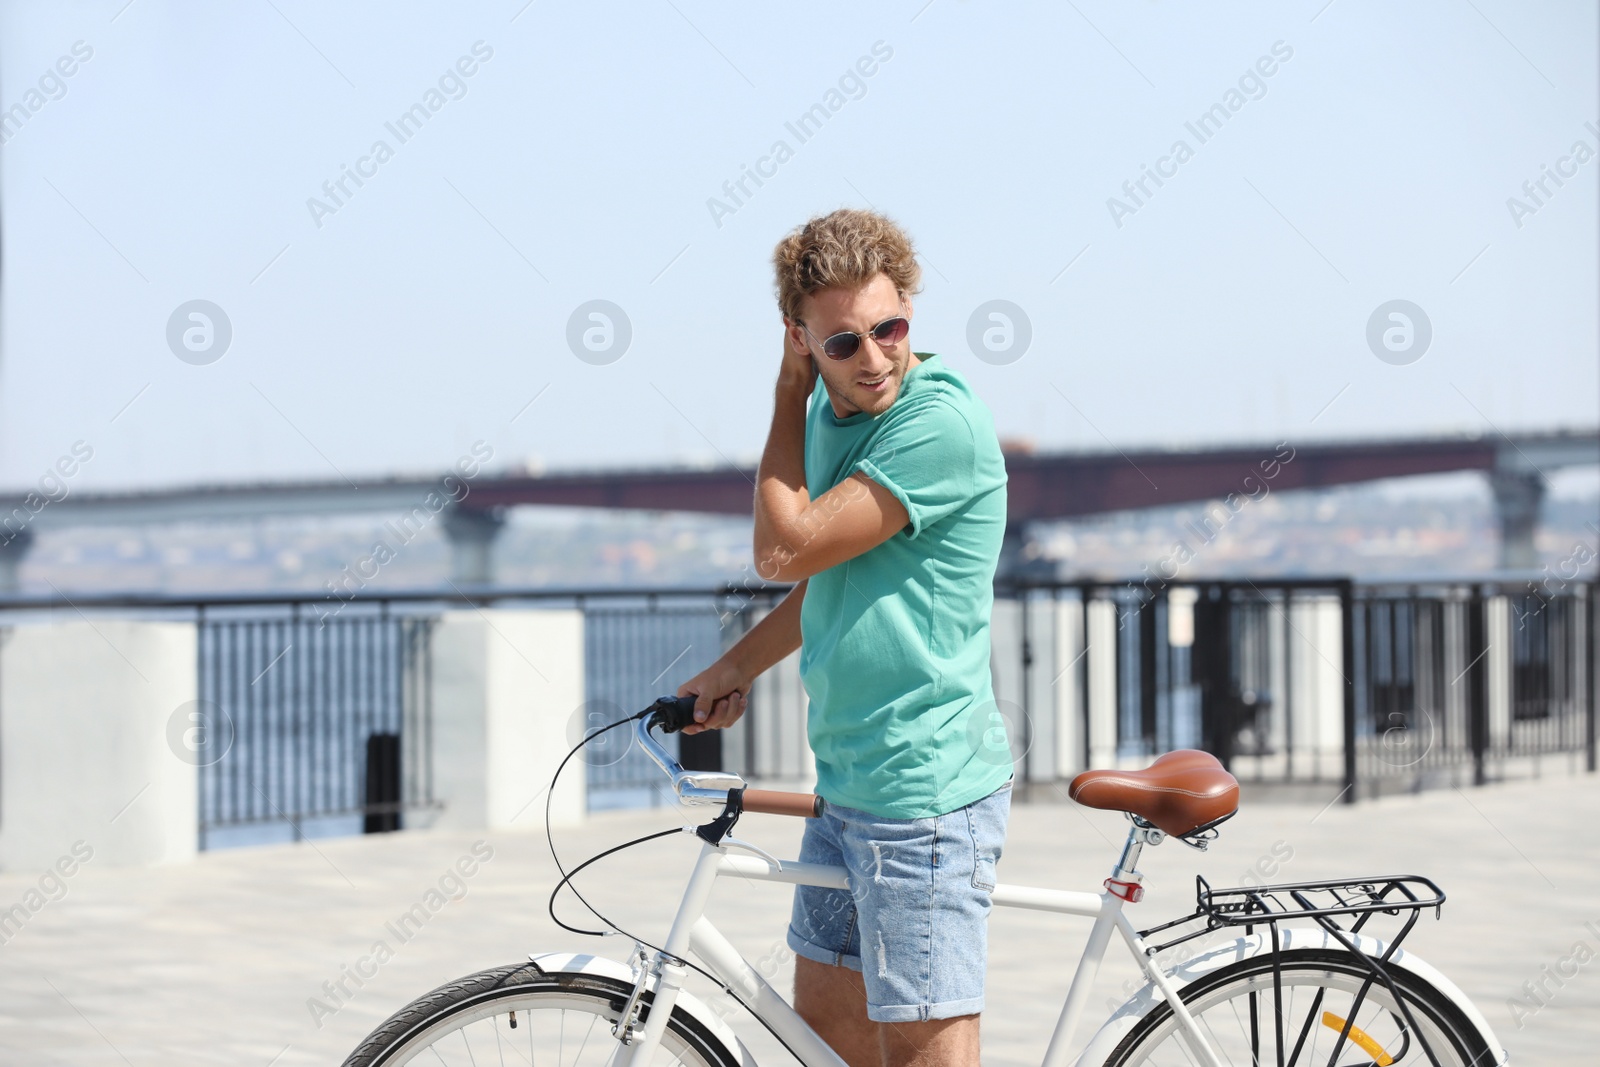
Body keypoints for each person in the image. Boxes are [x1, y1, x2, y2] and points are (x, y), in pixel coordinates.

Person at [676, 207, 1013, 1067]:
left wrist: (788, 391)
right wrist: (736, 664)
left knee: (922, 1047)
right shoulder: (837, 416)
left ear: (911, 314)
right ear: (798, 336)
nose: (873, 360)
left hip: (923, 791)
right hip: (849, 779)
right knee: (826, 1033)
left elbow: (781, 548)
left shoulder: (937, 424)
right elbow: (835, 575)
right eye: (841, 344)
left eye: (889, 328)